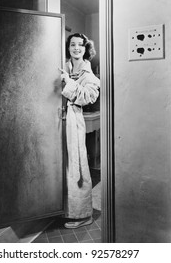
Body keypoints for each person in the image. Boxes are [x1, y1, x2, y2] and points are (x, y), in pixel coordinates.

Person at [59, 33, 100, 229]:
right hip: (57, 121)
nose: (76, 48)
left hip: (74, 122)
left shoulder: (88, 75)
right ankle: (64, 209)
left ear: (86, 49)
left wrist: (68, 81)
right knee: (61, 166)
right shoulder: (63, 66)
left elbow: (87, 97)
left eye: (80, 46)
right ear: (68, 48)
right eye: (72, 45)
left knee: (77, 166)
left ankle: (83, 214)